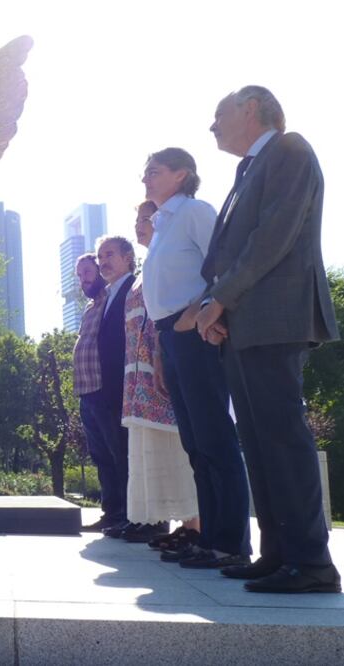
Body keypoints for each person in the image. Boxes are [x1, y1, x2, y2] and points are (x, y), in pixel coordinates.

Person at [196, 86, 340, 593]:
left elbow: (273, 236)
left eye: (219, 114)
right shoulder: (248, 168)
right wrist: (216, 303)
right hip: (244, 322)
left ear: (251, 109)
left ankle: (313, 563)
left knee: (282, 438)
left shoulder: (290, 150)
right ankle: (279, 553)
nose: (212, 125)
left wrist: (220, 299)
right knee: (257, 443)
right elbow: (228, 252)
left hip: (274, 318)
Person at [139, 148, 251, 569]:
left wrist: (198, 313)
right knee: (196, 445)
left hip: (197, 331)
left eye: (154, 171)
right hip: (171, 337)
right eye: (145, 172)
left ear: (182, 174)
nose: (145, 178)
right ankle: (209, 539)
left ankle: (232, 543)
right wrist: (162, 348)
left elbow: (226, 266)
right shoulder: (164, 224)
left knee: (216, 439)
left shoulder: (195, 212)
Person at [121, 200, 200, 547]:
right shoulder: (143, 272)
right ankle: (183, 522)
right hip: (140, 383)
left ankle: (197, 522)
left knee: (181, 447)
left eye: (146, 219)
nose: (139, 225)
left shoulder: (169, 263)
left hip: (165, 368)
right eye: (136, 219)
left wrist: (161, 360)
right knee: (158, 452)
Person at [73, 255, 114, 532]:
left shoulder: (112, 299)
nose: (83, 279)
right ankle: (111, 513)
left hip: (104, 389)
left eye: (87, 272)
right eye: (79, 275)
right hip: (86, 391)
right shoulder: (90, 307)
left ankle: (125, 514)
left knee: (116, 453)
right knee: (100, 456)